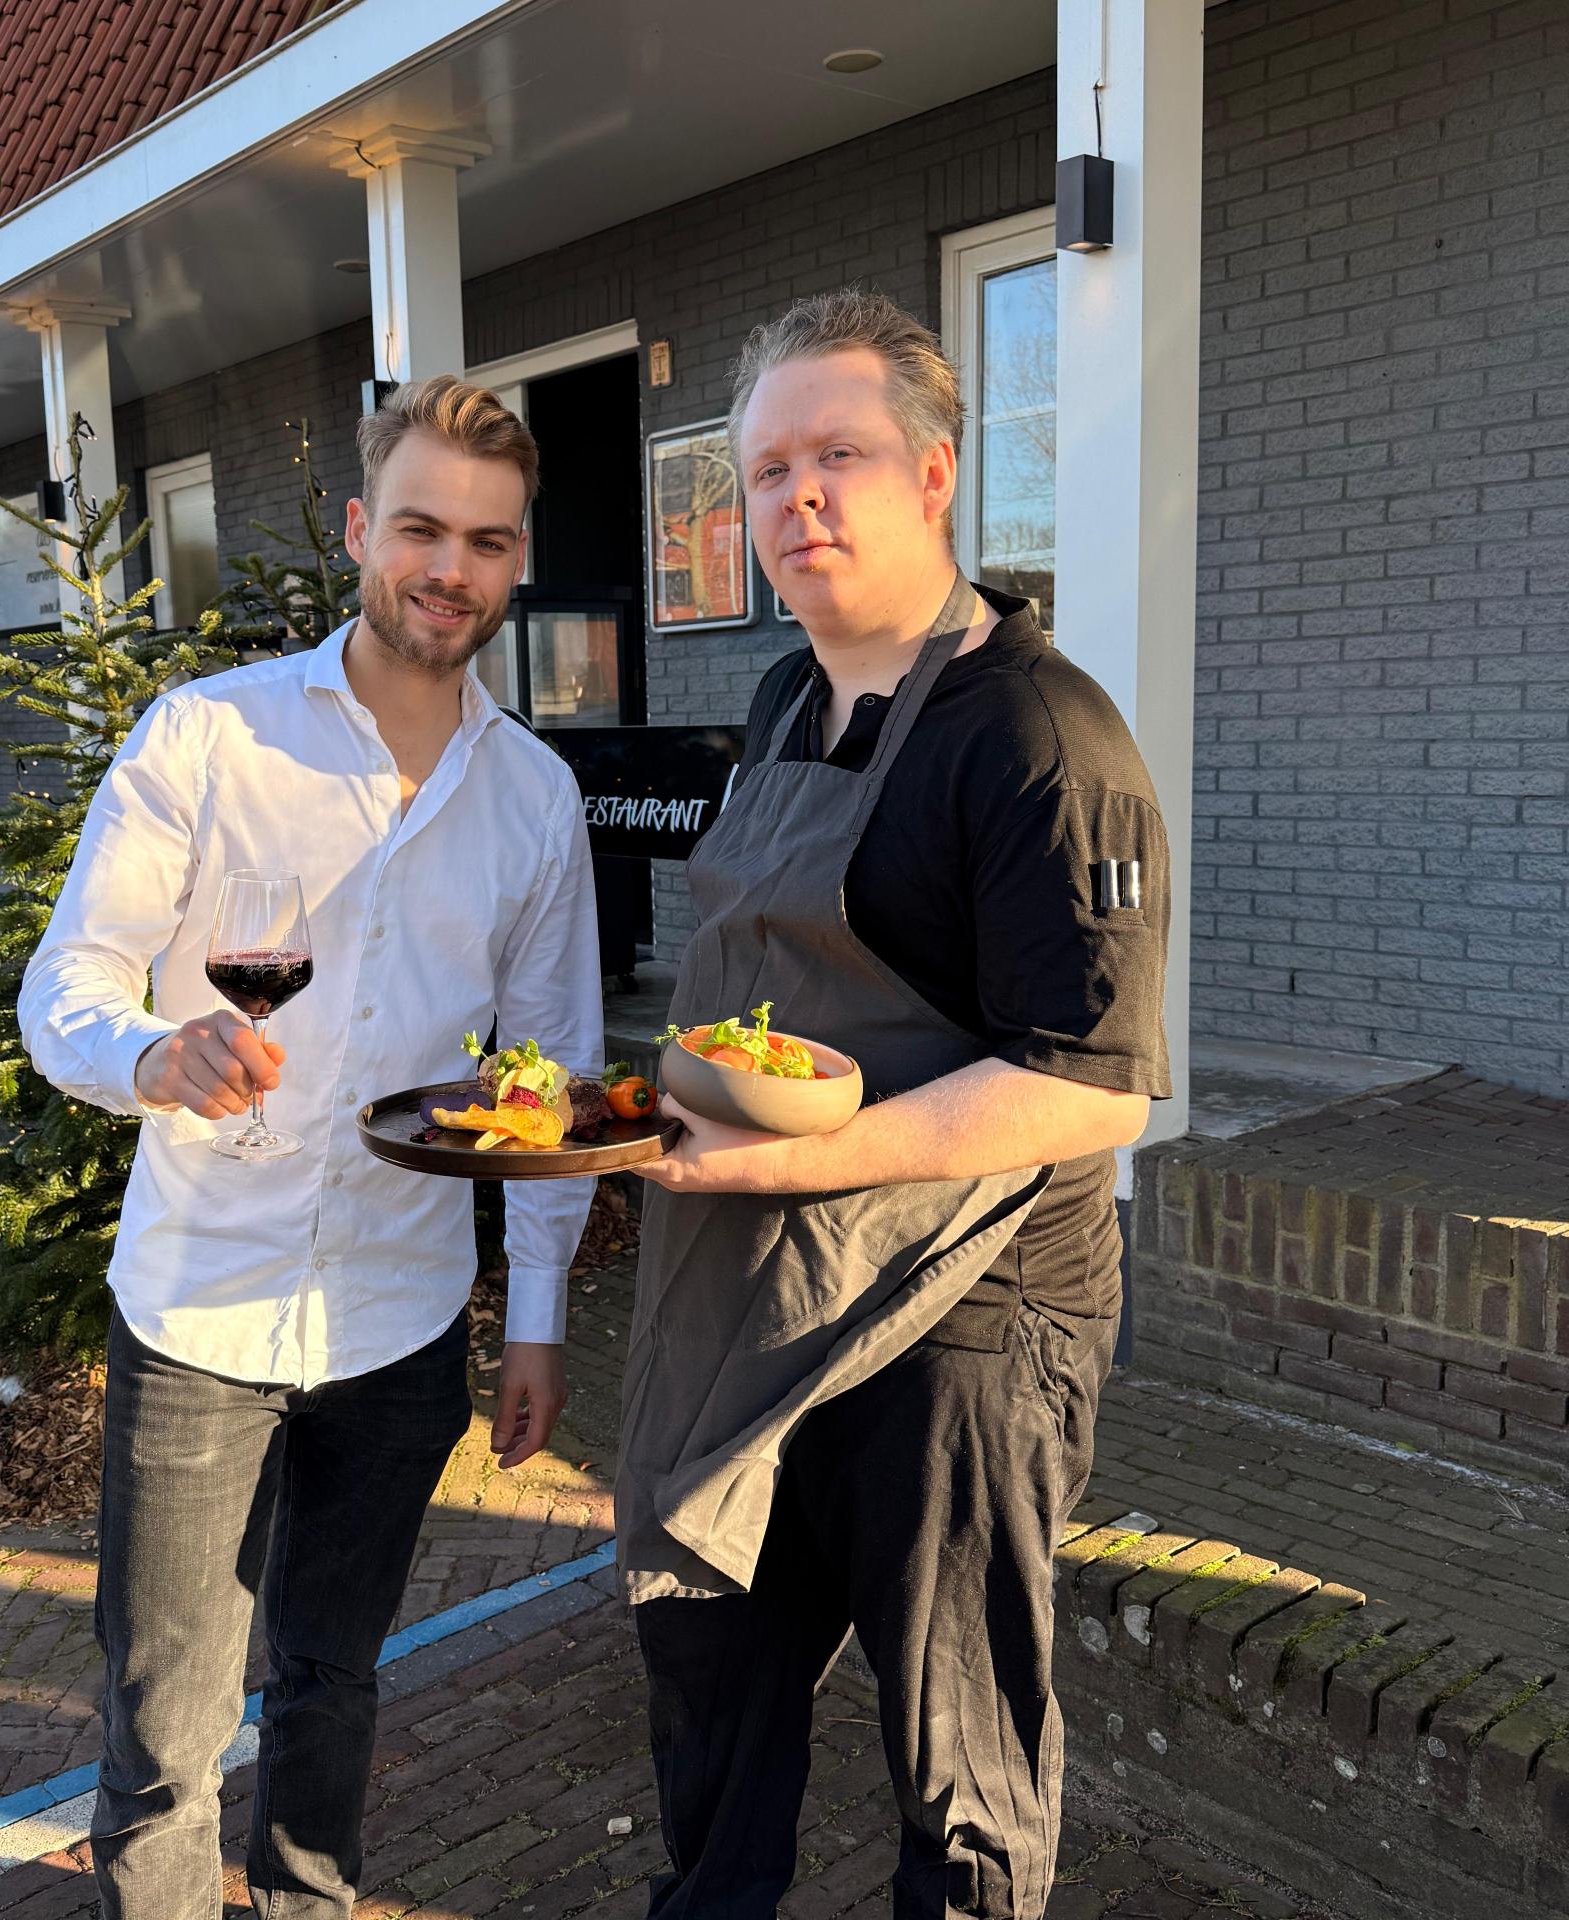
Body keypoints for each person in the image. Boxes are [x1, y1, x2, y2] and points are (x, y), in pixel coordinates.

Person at [18, 376, 601, 1920]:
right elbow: (64, 980)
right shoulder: (210, 739)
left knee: (333, 1688)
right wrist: (156, 1051)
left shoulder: (536, 800)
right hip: (202, 1306)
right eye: (418, 527)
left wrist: (531, 1318)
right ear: (362, 529)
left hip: (401, 1325)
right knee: (163, 1724)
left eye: (484, 540)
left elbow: (552, 1084)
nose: (447, 568)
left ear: (517, 558)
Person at [620, 289, 1172, 1919]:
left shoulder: (1040, 737)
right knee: (712, 1678)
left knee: (960, 1756)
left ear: (935, 476)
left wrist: (811, 1161)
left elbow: (1096, 1091)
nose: (796, 499)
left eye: (837, 455)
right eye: (768, 465)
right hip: (767, 1292)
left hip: (966, 1320)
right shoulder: (791, 699)